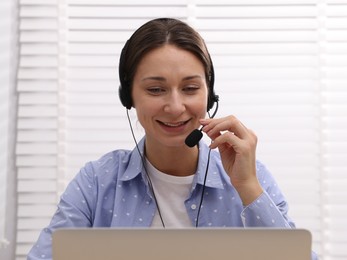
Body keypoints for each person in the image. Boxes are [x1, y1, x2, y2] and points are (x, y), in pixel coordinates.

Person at [27, 17, 318, 260]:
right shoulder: (96, 182)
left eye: (190, 88)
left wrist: (248, 187)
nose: (176, 106)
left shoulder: (251, 177)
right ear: (129, 98)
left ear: (210, 95)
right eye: (156, 90)